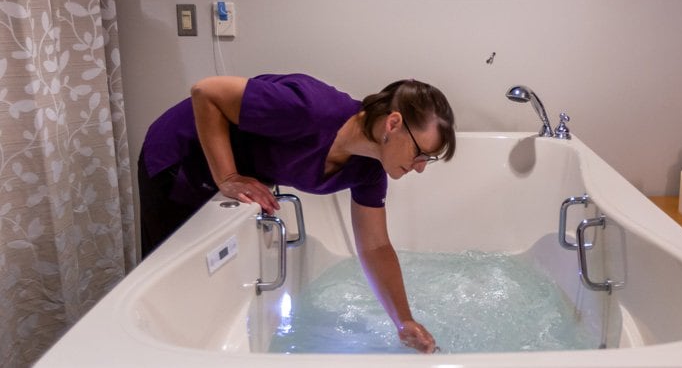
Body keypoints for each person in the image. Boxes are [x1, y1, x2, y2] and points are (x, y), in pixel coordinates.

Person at [137, 73, 456, 353]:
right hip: (180, 158)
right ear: (394, 123)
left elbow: (375, 247)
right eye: (420, 154)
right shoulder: (312, 110)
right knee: (172, 290)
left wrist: (403, 321)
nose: (420, 168)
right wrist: (229, 177)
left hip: (225, 179)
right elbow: (206, 92)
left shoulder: (368, 171)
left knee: (200, 296)